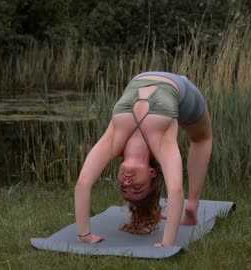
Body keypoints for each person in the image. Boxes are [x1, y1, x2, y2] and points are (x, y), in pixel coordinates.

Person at [74, 71, 212, 247]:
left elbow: (83, 182)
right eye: (137, 188)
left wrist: (84, 235)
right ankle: (192, 206)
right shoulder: (161, 143)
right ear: (152, 172)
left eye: (123, 186)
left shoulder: (115, 140)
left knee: (201, 137)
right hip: (178, 88)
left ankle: (191, 208)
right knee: (202, 138)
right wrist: (167, 244)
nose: (128, 182)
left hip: (139, 80)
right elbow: (176, 190)